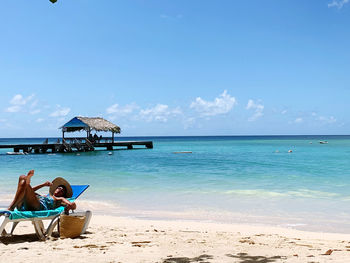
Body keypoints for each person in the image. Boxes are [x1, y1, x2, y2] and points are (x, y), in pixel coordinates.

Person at [7, 170, 76, 214]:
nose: (60, 190)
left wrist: (70, 205)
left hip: (38, 206)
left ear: (63, 195)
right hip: (23, 205)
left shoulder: (59, 199)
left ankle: (11, 207)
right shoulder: (45, 196)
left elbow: (72, 205)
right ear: (55, 189)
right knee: (22, 177)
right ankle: (26, 181)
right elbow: (29, 191)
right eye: (59, 188)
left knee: (24, 181)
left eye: (62, 191)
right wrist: (43, 185)